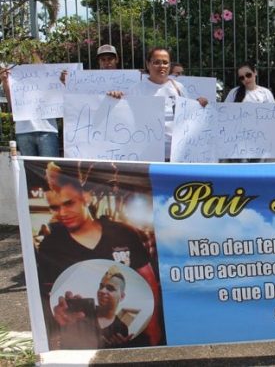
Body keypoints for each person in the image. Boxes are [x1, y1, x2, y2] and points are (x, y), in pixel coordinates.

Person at [36, 161, 163, 347]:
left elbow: (148, 283)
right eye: (54, 207)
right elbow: (48, 294)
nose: (62, 213)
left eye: (69, 203)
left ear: (86, 198)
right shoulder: (50, 245)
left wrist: (153, 330)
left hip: (133, 341)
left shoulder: (124, 233)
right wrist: (58, 314)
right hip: (82, 340)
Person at [108, 47, 209, 160]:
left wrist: (199, 104)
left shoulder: (179, 88)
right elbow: (125, 120)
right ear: (148, 64)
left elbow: (189, 117)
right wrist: (114, 99)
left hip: (176, 155)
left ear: (169, 65)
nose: (162, 66)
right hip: (147, 155)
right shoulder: (136, 90)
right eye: (156, 62)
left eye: (165, 62)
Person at [53, 265, 133, 349]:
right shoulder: (82, 313)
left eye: (110, 288)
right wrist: (58, 321)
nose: (102, 291)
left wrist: (120, 349)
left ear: (122, 296)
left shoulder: (122, 328)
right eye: (101, 286)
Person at [0, 54, 61, 157]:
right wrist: (5, 81)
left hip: (47, 130)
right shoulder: (14, 75)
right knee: (30, 170)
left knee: (50, 170)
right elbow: (12, 103)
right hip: (24, 131)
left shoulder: (48, 74)